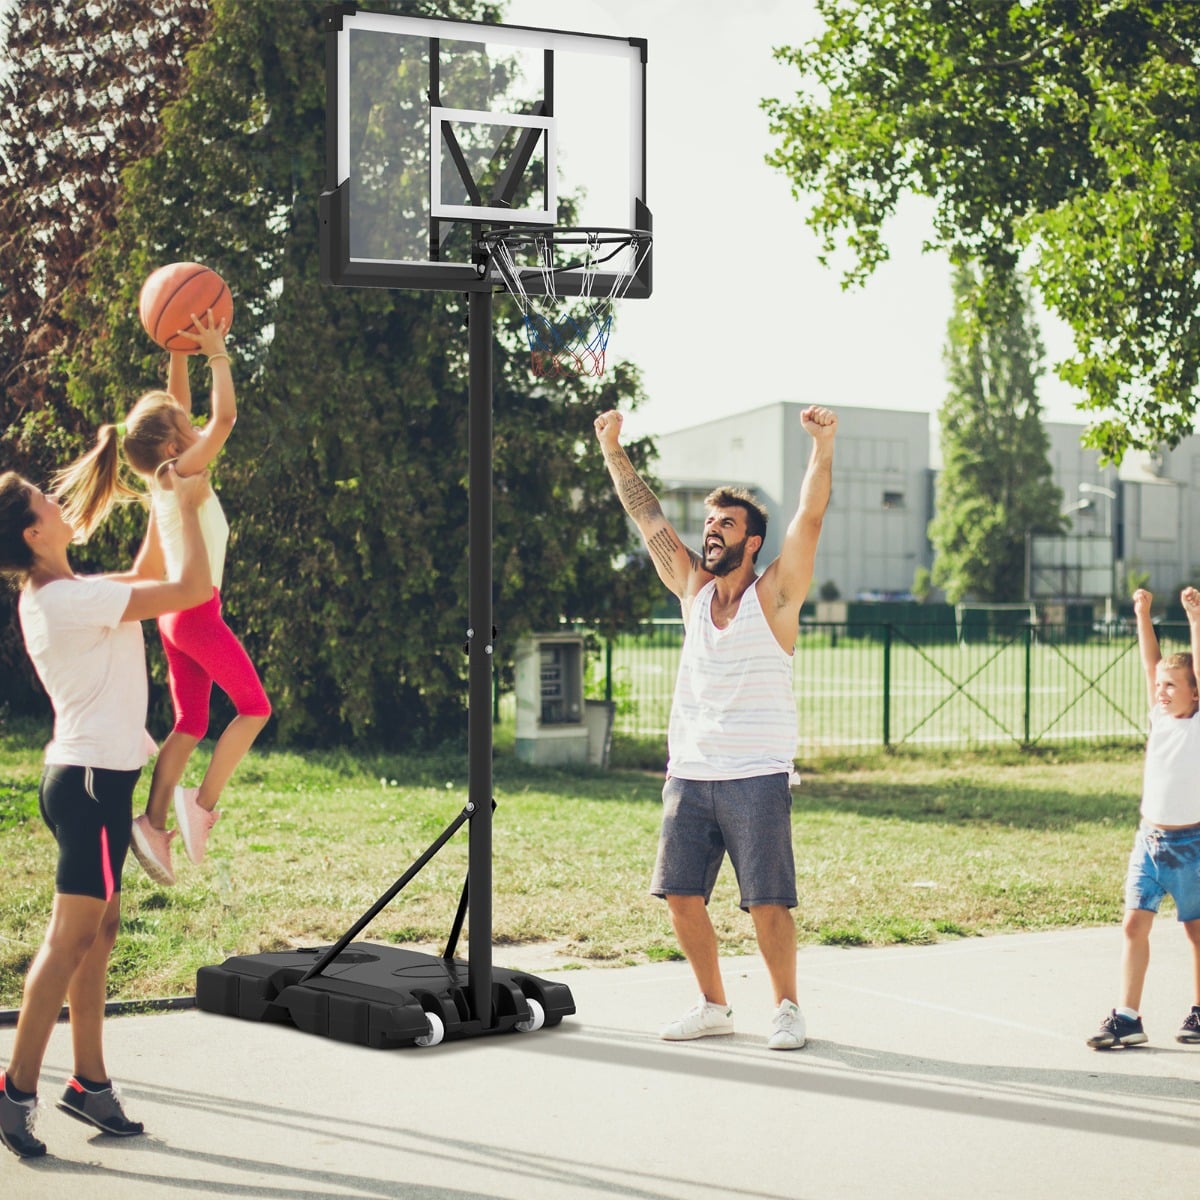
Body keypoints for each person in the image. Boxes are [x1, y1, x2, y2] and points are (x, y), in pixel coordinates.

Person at [594, 404, 836, 1050]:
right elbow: (645, 517)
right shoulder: (693, 593)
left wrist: (823, 446)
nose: (712, 534)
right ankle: (713, 1006)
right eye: (709, 524)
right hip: (691, 771)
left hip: (755, 771)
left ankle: (786, 1008)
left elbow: (810, 517)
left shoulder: (776, 595)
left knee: (766, 902)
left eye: (726, 525)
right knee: (679, 897)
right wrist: (612, 448)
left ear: (752, 540)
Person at [0, 466, 212, 1158]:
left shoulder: (71, 592)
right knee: (70, 939)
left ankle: (88, 1084)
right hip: (89, 786)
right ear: (34, 534)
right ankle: (15, 1092)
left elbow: (149, 570)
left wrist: (161, 484)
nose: (60, 505)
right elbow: (188, 588)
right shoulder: (67, 602)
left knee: (100, 931)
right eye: (46, 502)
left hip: (94, 782)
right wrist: (186, 503)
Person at [52, 313, 271, 886]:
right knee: (254, 707)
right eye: (185, 424)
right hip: (196, 615)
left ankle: (150, 824)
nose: (195, 424)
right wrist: (217, 354)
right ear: (175, 442)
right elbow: (224, 416)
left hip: (175, 618)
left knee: (191, 722)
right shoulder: (183, 468)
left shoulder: (162, 476)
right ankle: (200, 804)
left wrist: (180, 350)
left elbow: (180, 409)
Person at [1087, 585, 1200, 1049]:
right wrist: (1143, 614)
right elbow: (1148, 662)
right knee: (1134, 923)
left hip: (1192, 845)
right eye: (1159, 686)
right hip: (1149, 841)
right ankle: (1128, 1017)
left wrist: (1195, 620)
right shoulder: (1159, 718)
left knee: (1196, 932)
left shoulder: (1197, 722)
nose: (1161, 689)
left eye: (1172, 685)